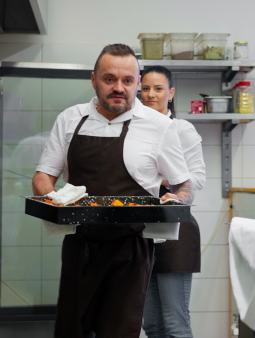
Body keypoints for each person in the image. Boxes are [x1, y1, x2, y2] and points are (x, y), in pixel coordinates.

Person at [32, 44, 194, 338]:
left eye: (128, 81)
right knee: (72, 330)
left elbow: (183, 184)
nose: (119, 88)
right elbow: (43, 176)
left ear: (136, 81)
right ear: (93, 79)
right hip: (80, 244)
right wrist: (55, 199)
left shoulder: (159, 126)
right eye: (109, 79)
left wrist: (177, 198)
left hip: (131, 250)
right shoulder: (70, 119)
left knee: (118, 332)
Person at [140, 66, 206, 338]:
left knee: (175, 323)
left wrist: (167, 185)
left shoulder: (181, 129)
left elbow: (198, 178)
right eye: (145, 88)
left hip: (175, 229)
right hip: (140, 229)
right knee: (151, 325)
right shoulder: (132, 130)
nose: (151, 95)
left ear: (171, 93)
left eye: (158, 89)